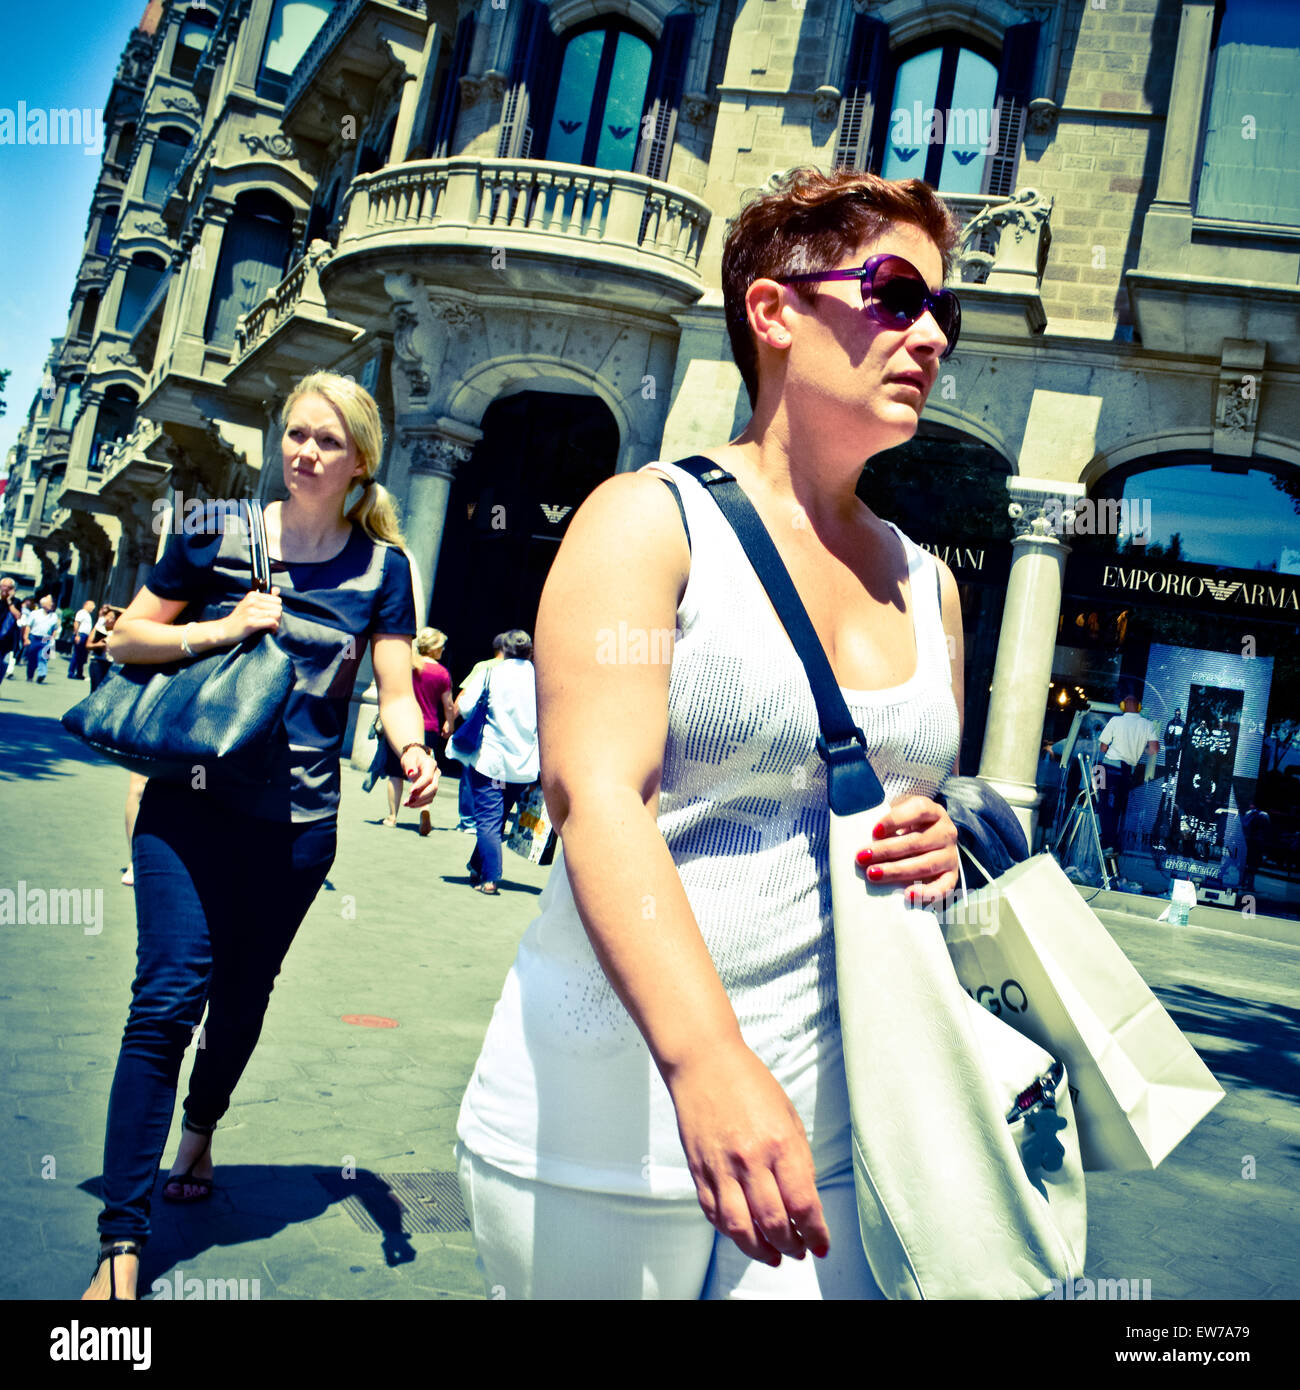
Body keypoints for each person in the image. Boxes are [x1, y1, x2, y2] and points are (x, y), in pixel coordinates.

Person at [455, 167, 965, 1299]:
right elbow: (596, 798)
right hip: (606, 1125)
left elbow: (899, 798)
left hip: (836, 1137)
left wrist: (939, 831)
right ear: (774, 313)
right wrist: (707, 1059)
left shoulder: (931, 584)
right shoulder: (647, 520)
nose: (928, 333)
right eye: (893, 293)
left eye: (944, 311)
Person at [81, 370, 438, 1300]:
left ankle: (200, 1132)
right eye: (294, 435)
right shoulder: (212, 534)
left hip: (294, 826)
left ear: (361, 460)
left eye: (325, 440)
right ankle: (122, 1242)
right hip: (187, 803)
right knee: (166, 996)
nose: (303, 452)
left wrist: (414, 753)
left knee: (239, 1002)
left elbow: (395, 690)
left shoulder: (383, 570)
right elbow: (125, 641)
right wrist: (221, 628)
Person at [456, 629, 538, 895]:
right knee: (497, 817)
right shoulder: (541, 679)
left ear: (503, 649)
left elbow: (466, 707)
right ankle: (475, 865)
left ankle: (491, 878)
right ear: (530, 651)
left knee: (488, 820)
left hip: (492, 759)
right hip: (523, 763)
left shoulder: (491, 673)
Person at [452, 635, 506, 833]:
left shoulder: (484, 667)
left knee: (469, 774)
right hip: (504, 734)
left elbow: (464, 697)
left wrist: (450, 722)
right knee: (498, 778)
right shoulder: (522, 671)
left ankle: (468, 821)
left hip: (480, 731)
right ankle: (493, 821)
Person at [1097, 690, 1160, 853]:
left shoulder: (1115, 720)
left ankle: (1107, 841)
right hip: (1126, 771)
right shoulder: (1147, 725)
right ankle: (1111, 842)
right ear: (1139, 707)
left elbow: (1103, 748)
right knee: (1117, 807)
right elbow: (1153, 749)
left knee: (1102, 803)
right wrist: (1138, 748)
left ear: (1123, 706)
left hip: (1106, 768)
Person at [411, 627, 455, 836]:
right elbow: (448, 704)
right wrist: (450, 724)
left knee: (395, 773)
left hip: (406, 721)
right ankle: (424, 808)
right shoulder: (441, 673)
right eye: (442, 646)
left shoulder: (410, 666)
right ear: (435, 648)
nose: (443, 650)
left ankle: (391, 816)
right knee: (426, 769)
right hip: (429, 726)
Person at [24, 594, 61, 682]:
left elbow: (55, 629)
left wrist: (52, 638)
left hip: (46, 639)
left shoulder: (54, 616)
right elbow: (28, 626)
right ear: (43, 605)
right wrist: (26, 638)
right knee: (32, 659)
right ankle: (30, 675)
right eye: (50, 604)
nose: (52, 605)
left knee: (43, 657)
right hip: (34, 637)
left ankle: (42, 674)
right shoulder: (34, 613)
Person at [86, 607, 118, 692]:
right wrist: (98, 645)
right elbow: (88, 645)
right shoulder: (98, 629)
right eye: (107, 616)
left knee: (105, 691)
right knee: (95, 690)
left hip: (111, 664)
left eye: (111, 617)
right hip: (97, 662)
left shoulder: (118, 633)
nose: (108, 619)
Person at [69, 599, 96, 678]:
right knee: (77, 654)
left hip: (85, 636)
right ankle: (71, 672)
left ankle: (79, 673)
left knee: (82, 655)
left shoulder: (88, 615)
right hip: (81, 635)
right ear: (86, 605)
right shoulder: (81, 613)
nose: (93, 608)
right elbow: (76, 623)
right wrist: (77, 635)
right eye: (92, 605)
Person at [0, 577, 21, 679]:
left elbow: (17, 616)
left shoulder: (16, 602)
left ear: (12, 589)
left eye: (8, 587)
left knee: (2, 665)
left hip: (6, 638)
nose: (4, 589)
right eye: (2, 586)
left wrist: (9, 601)